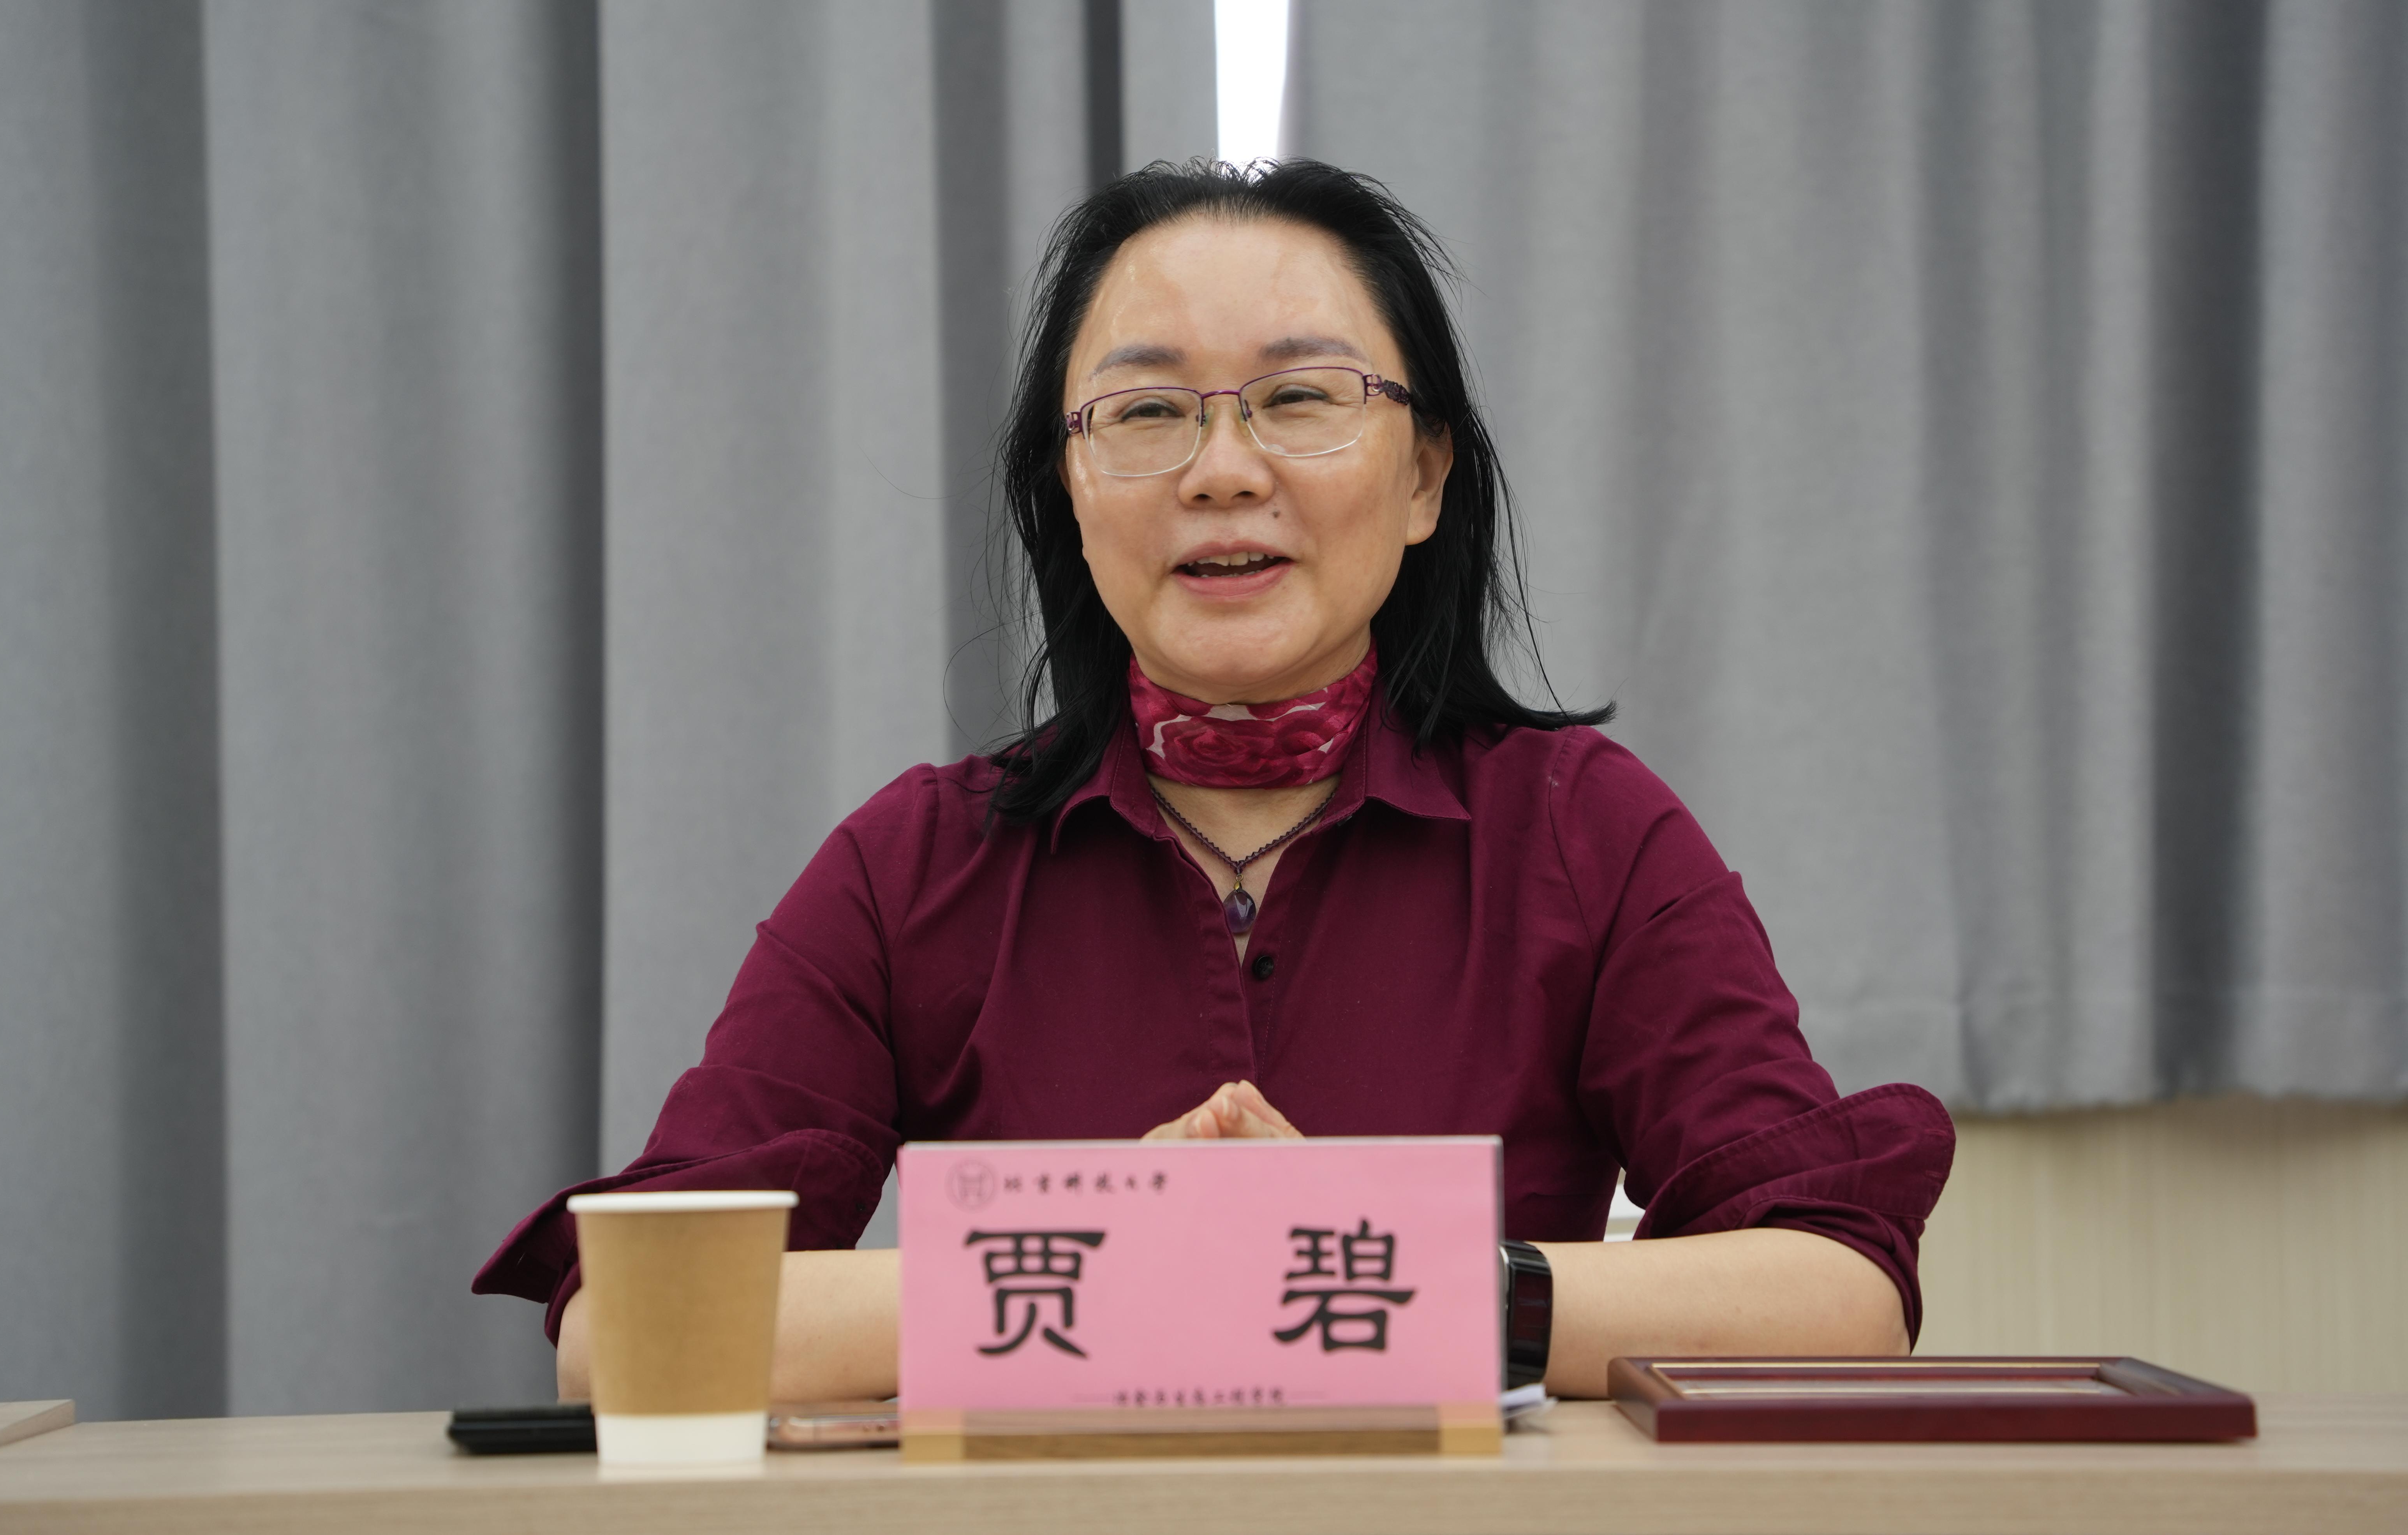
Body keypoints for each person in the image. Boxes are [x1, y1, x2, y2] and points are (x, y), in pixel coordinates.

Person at [475, 159, 1955, 1402]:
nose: (1224, 470)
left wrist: (1386, 1281)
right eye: (1146, 412)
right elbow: (626, 1331)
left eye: (1301, 398)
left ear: (1426, 475)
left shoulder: (1586, 833)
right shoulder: (910, 866)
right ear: (1068, 488)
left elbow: (1837, 1296)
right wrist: (1123, 1271)